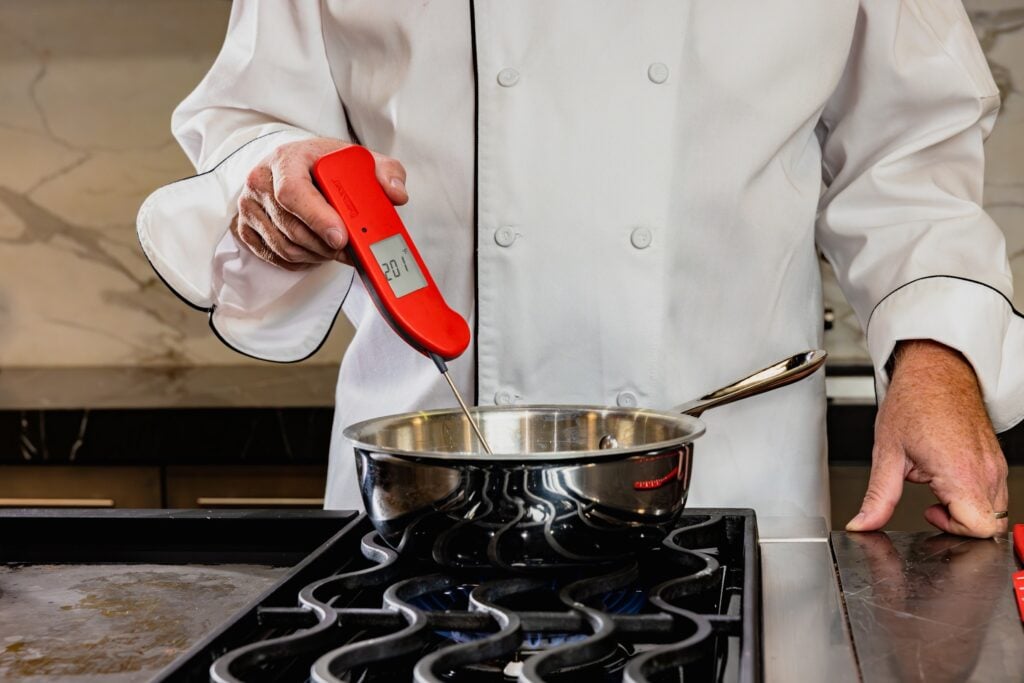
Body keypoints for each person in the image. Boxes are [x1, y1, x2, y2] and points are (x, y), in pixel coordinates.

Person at [139, 2, 1023, 537]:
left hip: (730, 487)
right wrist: (277, 180)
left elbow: (911, 154)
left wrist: (939, 356)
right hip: (418, 478)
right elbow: (253, 115)